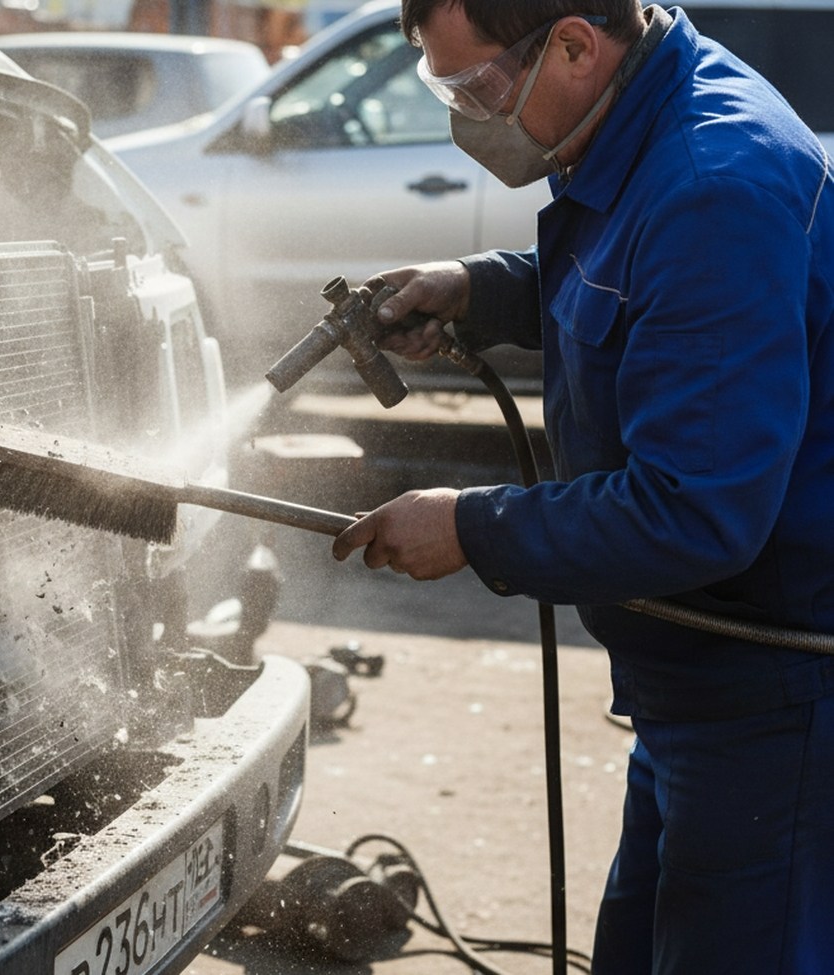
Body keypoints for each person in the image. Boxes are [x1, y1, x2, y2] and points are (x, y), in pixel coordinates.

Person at [330, 1, 834, 972]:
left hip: (771, 700)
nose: (466, 117)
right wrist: (481, 288)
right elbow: (635, 285)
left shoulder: (713, 185)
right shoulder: (640, 112)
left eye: (474, 87)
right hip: (694, 687)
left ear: (571, 43)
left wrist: (471, 527)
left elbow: (693, 510)